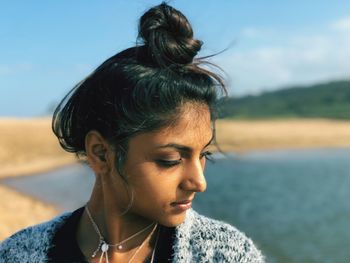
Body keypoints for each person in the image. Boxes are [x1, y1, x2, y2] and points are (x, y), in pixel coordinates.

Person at [0, 2, 264, 262]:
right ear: (101, 153)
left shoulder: (227, 255)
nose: (199, 182)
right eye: (170, 160)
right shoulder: (17, 254)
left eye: (203, 154)